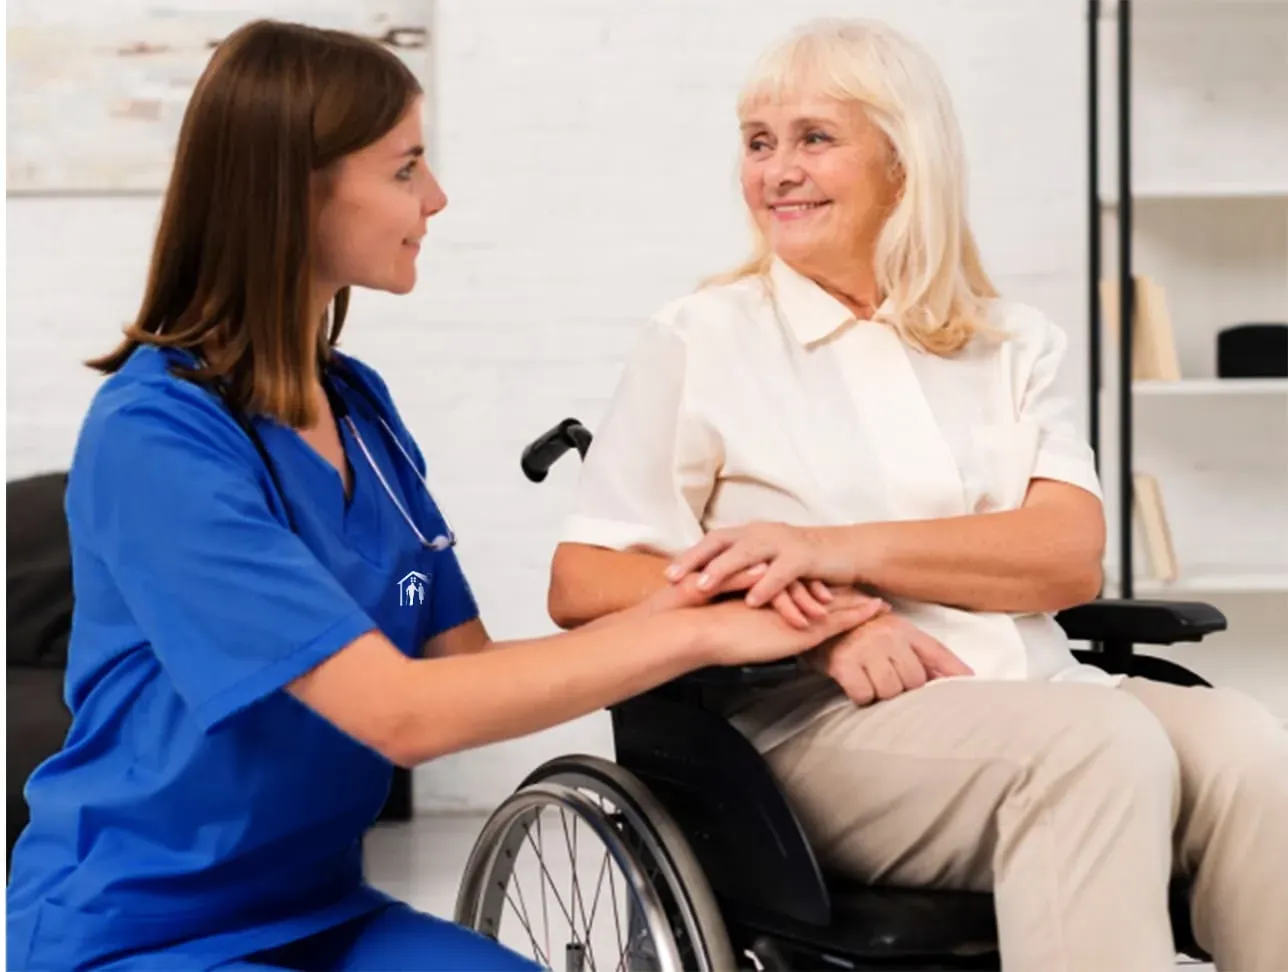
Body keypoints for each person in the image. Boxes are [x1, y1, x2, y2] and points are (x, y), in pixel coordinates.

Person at [3, 20, 884, 972]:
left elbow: (464, 666)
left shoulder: (359, 410)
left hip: (318, 911)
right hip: (139, 931)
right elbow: (401, 716)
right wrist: (697, 634)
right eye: (404, 169)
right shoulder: (157, 435)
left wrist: (682, 600)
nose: (436, 196)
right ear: (295, 189)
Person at [548, 17, 1288, 972]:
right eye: (758, 141)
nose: (777, 169)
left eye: (816, 137)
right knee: (1095, 747)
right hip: (813, 728)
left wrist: (830, 548)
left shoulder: (1009, 341)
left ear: (906, 162)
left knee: (1249, 749)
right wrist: (824, 625)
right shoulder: (704, 336)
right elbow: (584, 578)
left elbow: (1063, 558)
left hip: (1039, 687)